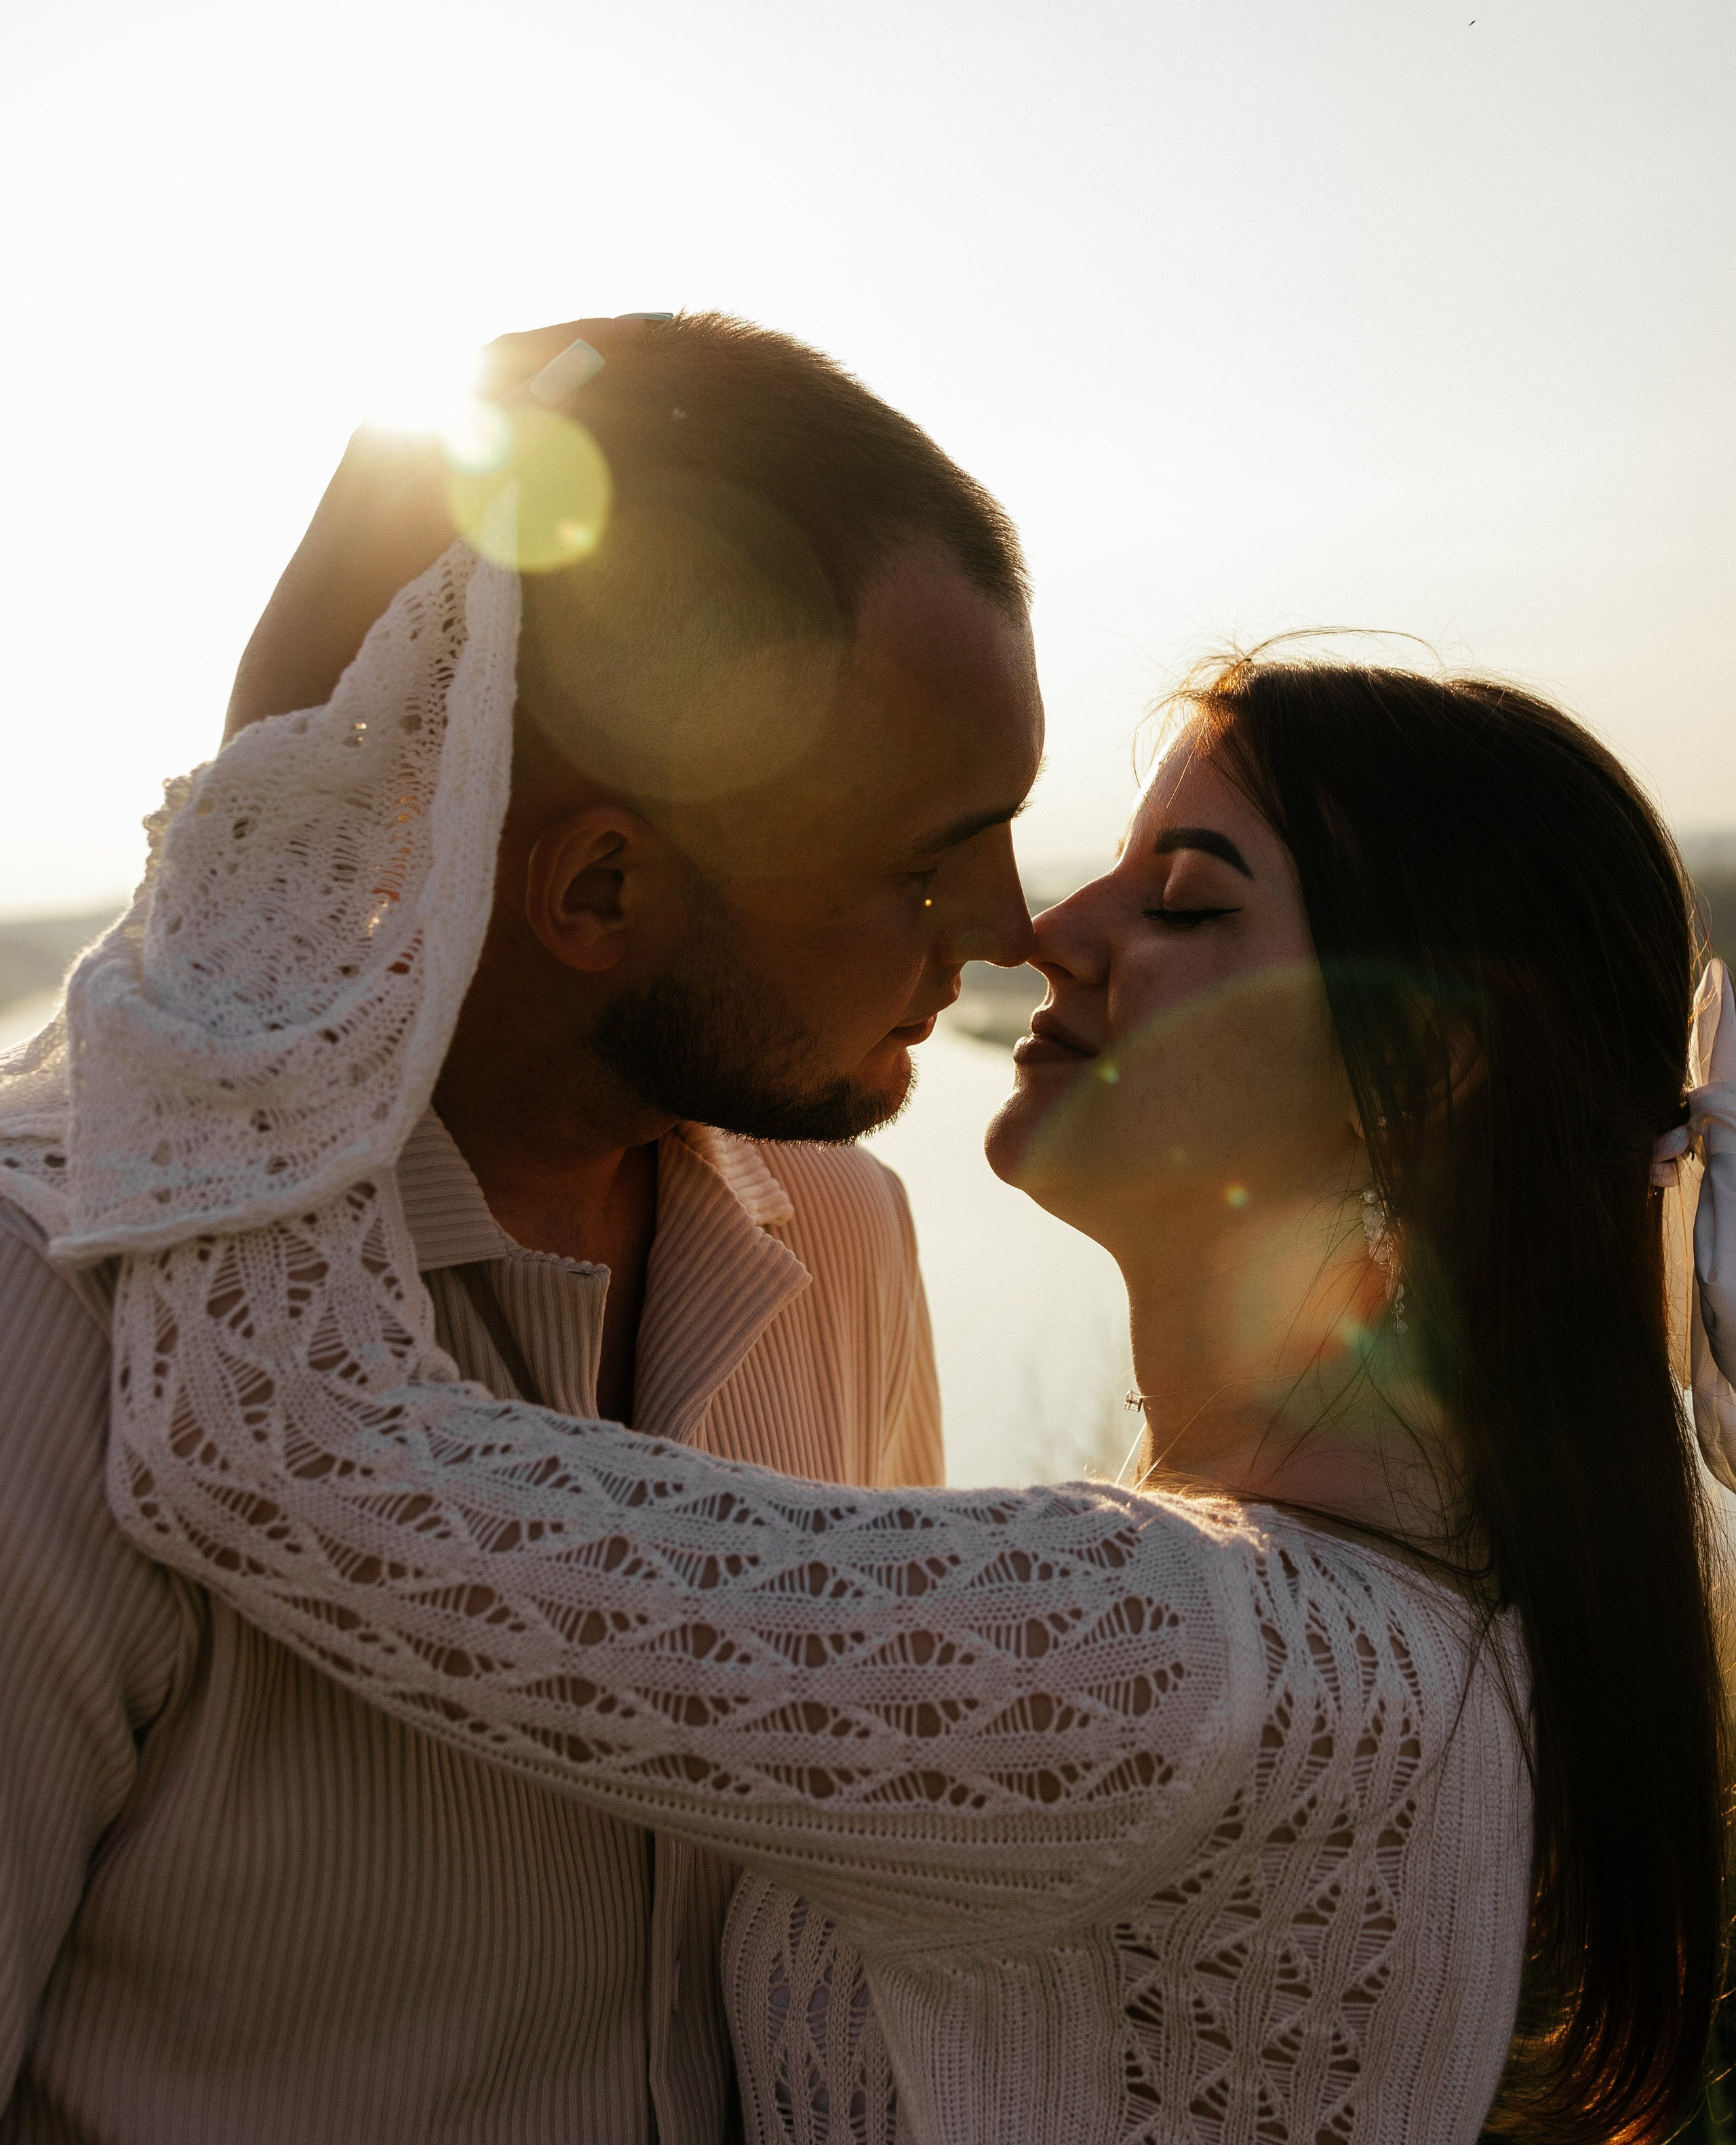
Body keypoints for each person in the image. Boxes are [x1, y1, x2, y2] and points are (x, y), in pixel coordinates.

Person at [52, 555, 1736, 2142]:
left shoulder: (1172, 1656)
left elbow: (278, 1439)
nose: (1048, 934)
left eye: (1184, 904)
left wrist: (298, 745)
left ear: (1428, 1066)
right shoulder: (1503, 1562)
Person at [0, 311, 1046, 2142]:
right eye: (928, 855)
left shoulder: (848, 1241)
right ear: (600, 885)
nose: (1015, 925)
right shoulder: (47, 1311)